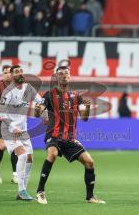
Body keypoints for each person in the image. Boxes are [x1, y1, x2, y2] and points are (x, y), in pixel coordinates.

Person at [34, 66, 106, 204]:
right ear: (56, 77)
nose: (64, 76)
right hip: (54, 135)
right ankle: (40, 192)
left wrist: (88, 108)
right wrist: (38, 110)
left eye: (66, 73)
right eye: (60, 74)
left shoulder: (76, 96)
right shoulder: (49, 95)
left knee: (90, 162)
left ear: (70, 76)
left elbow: (84, 118)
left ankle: (90, 197)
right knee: (52, 154)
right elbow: (38, 113)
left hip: (70, 138)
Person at [0, 65, 38, 200]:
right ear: (13, 76)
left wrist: (42, 107)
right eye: (16, 72)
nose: (20, 73)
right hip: (9, 130)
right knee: (22, 155)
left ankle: (23, 189)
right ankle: (21, 191)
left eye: (21, 71)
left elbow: (41, 101)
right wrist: (13, 127)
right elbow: (0, 112)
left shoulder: (29, 88)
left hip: (23, 130)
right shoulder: (8, 92)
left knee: (30, 158)